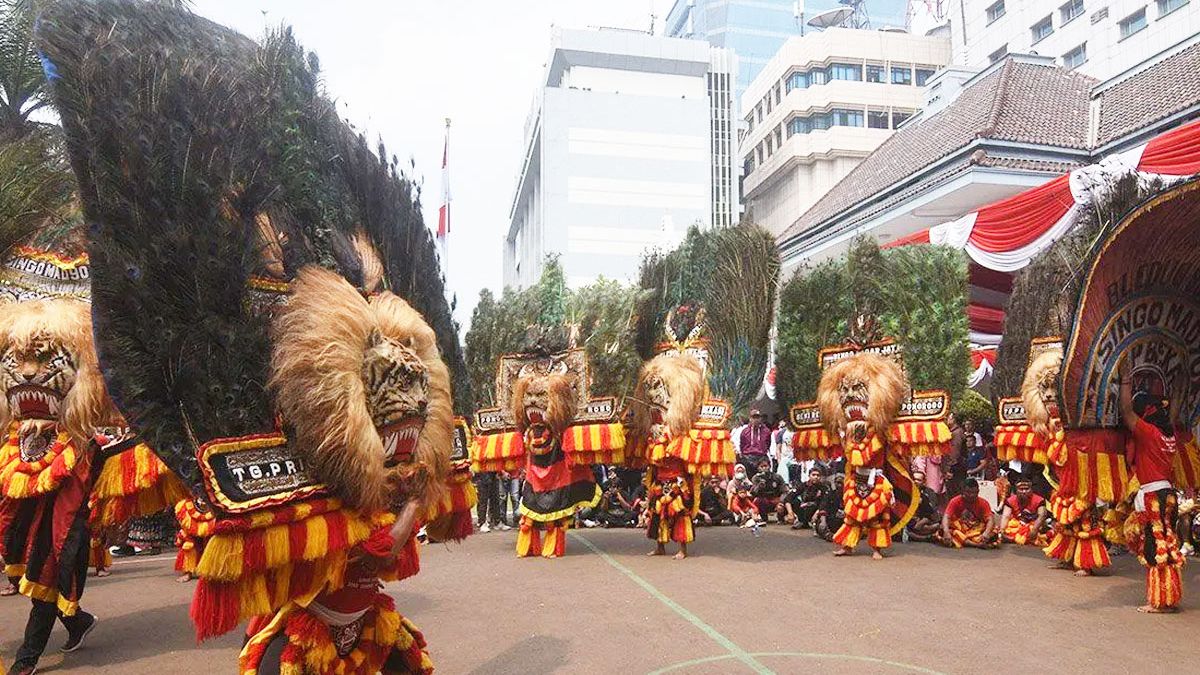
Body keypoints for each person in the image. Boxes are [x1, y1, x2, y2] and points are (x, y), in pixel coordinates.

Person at [1120, 362, 1183, 613]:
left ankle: (1158, 601)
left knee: (1154, 546)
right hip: (1168, 495)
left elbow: (1126, 412)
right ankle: (1169, 597)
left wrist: (1125, 380)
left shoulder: (1148, 433)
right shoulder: (1169, 434)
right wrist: (1178, 389)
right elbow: (1174, 412)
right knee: (1167, 545)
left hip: (1154, 497)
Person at [941, 479, 998, 548]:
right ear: (962, 491)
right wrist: (946, 531)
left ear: (978, 492)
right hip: (960, 529)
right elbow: (946, 517)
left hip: (976, 529)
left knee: (994, 533)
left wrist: (986, 533)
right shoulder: (954, 501)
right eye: (968, 492)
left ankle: (970, 542)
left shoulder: (983, 503)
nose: (971, 495)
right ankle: (975, 544)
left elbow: (990, 519)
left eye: (974, 492)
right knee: (943, 530)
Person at [999, 476, 1048, 546]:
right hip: (1018, 524)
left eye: (1027, 489)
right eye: (1021, 489)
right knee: (1010, 526)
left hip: (1034, 525)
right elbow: (1005, 516)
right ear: (1016, 490)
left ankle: (1016, 539)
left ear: (1031, 490)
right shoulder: (1010, 500)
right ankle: (1021, 538)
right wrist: (1002, 530)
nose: (1024, 491)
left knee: (1040, 528)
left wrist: (1034, 530)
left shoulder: (1039, 500)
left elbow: (1042, 515)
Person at [906, 470, 943, 543]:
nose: (915, 481)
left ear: (924, 482)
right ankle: (926, 538)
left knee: (934, 526)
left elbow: (932, 511)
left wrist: (923, 520)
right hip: (910, 521)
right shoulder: (907, 491)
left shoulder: (929, 493)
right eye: (914, 479)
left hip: (926, 519)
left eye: (919, 480)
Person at [751, 458, 787, 523]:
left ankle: (780, 517)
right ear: (758, 468)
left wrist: (781, 502)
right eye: (761, 466)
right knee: (758, 500)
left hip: (775, 499)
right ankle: (764, 518)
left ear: (769, 466)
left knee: (785, 502)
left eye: (765, 466)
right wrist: (759, 486)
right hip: (764, 500)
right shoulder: (755, 478)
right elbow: (753, 493)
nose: (764, 468)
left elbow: (784, 491)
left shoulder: (777, 477)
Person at [738, 409, 771, 478]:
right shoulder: (745, 431)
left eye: (758, 417)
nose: (756, 420)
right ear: (750, 419)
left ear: (760, 418)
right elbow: (742, 445)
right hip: (748, 457)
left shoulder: (766, 431)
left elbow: (768, 444)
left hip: (761, 456)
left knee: (764, 477)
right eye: (754, 417)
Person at [814, 474, 846, 542]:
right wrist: (823, 521)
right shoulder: (830, 494)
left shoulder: (850, 494)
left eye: (841, 483)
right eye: (837, 483)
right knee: (820, 523)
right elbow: (823, 507)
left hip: (845, 520)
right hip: (831, 519)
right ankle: (830, 535)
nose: (839, 485)